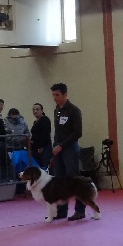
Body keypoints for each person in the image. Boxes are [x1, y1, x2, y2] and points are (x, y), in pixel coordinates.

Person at [51, 83, 85, 220]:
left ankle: (80, 210)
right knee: (60, 180)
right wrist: (54, 148)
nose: (54, 98)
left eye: (57, 95)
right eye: (53, 95)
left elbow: (77, 133)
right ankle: (62, 210)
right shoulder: (56, 110)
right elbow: (57, 132)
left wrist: (62, 146)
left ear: (65, 94)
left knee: (74, 180)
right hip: (58, 149)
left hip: (70, 148)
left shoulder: (74, 110)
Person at [30, 103, 53, 168]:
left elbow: (45, 134)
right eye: (33, 110)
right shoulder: (35, 122)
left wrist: (41, 146)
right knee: (38, 167)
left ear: (42, 111)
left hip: (44, 147)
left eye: (37, 109)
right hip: (36, 148)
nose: (35, 111)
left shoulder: (45, 120)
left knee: (44, 165)